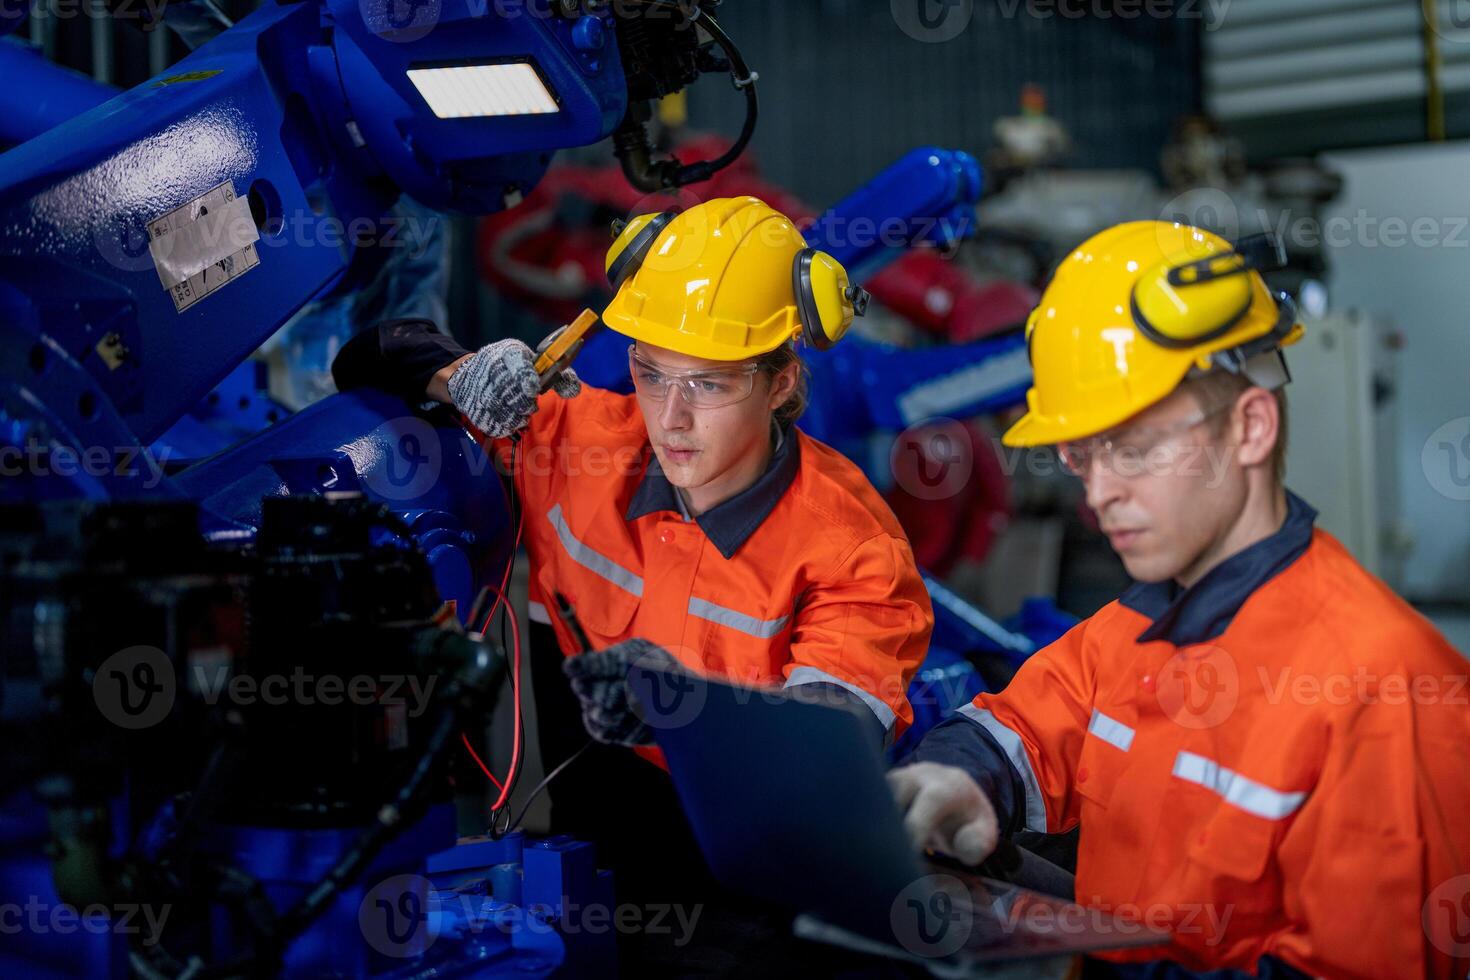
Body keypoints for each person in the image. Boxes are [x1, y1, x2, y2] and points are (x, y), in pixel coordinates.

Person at [888, 220, 1470, 978]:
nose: (1099, 494)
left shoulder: (1388, 689)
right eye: (1080, 455)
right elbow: (1024, 729)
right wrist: (960, 778)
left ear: (1250, 427)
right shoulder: (1136, 624)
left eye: (1130, 449)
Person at [334, 195, 932, 899]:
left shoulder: (853, 547)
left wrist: (683, 708)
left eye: (708, 383)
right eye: (651, 374)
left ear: (781, 382)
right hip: (596, 843)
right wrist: (459, 374)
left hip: (759, 874)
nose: (670, 420)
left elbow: (830, 760)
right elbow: (373, 355)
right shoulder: (576, 447)